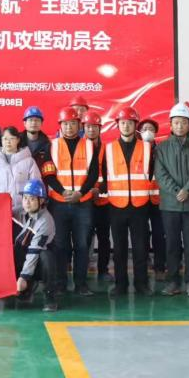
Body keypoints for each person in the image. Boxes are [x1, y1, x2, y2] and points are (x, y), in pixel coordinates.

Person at [42, 107, 100, 297]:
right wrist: (63, 191)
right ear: (60, 126)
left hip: (83, 203)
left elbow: (93, 174)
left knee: (82, 245)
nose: (69, 127)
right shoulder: (52, 145)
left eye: (73, 123)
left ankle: (81, 284)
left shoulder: (89, 146)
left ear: (79, 125)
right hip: (58, 203)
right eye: (65, 124)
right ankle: (61, 284)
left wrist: (80, 193)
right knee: (60, 245)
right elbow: (48, 174)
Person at [101, 107, 156, 296]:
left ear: (135, 125)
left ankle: (141, 284)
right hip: (116, 206)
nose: (126, 126)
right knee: (119, 250)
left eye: (130, 123)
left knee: (141, 248)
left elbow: (152, 174)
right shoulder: (109, 149)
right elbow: (104, 177)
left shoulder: (147, 148)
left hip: (140, 206)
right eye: (122, 123)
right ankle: (120, 285)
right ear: (118, 125)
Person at [155, 103, 189, 297]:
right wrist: (177, 191)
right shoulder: (161, 148)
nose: (179, 126)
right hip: (170, 205)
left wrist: (188, 189)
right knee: (172, 246)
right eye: (176, 122)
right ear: (170, 124)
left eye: (184, 122)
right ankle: (173, 282)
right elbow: (160, 174)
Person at [14, 179, 59, 312]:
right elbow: (3, 211)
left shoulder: (45, 221)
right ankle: (27, 288)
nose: (27, 202)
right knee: (15, 250)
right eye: (25, 198)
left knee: (46, 257)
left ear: (42, 201)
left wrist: (24, 277)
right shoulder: (22, 211)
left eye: (32, 199)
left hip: (40, 260)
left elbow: (34, 252)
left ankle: (50, 296)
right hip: (28, 256)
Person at [83, 111, 113, 285]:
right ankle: (82, 270)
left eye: (94, 127)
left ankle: (103, 270)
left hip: (103, 201)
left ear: (100, 128)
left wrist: (99, 189)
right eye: (88, 127)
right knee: (84, 238)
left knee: (104, 238)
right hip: (84, 201)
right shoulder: (79, 149)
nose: (91, 130)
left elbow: (111, 175)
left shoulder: (107, 149)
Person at [0, 127, 39, 214]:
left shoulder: (29, 161)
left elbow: (36, 184)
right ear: (1, 140)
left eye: (12, 138)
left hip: (23, 210)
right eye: (5, 139)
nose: (8, 142)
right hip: (0, 209)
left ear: (18, 140)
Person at [138, 117, 166, 276]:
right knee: (141, 234)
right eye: (144, 129)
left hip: (158, 199)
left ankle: (160, 266)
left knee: (159, 234)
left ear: (155, 132)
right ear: (139, 132)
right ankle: (144, 264)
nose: (147, 132)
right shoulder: (135, 150)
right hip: (140, 198)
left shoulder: (162, 150)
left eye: (150, 129)